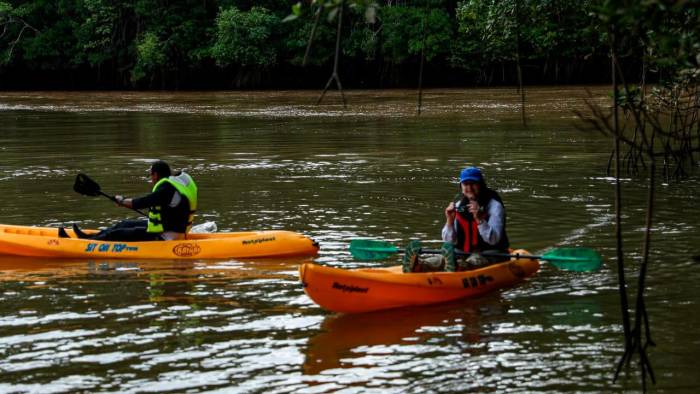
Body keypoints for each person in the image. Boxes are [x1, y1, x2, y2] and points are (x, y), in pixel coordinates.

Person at [404, 166, 509, 273]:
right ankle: (420, 264)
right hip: (462, 253)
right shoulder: (458, 206)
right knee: (442, 259)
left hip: (490, 254)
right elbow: (448, 242)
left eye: (473, 183)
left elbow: (494, 239)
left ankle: (459, 266)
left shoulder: (494, 206)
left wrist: (479, 220)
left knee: (475, 260)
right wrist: (449, 221)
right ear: (461, 187)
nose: (469, 188)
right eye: (465, 184)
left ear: (481, 185)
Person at [60, 160, 198, 241]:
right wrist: (123, 201)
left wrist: (122, 201)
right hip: (168, 227)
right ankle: (87, 237)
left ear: (156, 175)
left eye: (151, 174)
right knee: (123, 224)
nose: (151, 178)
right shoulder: (172, 184)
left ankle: (83, 243)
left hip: (167, 235)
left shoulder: (166, 189)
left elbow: (141, 203)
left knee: (118, 233)